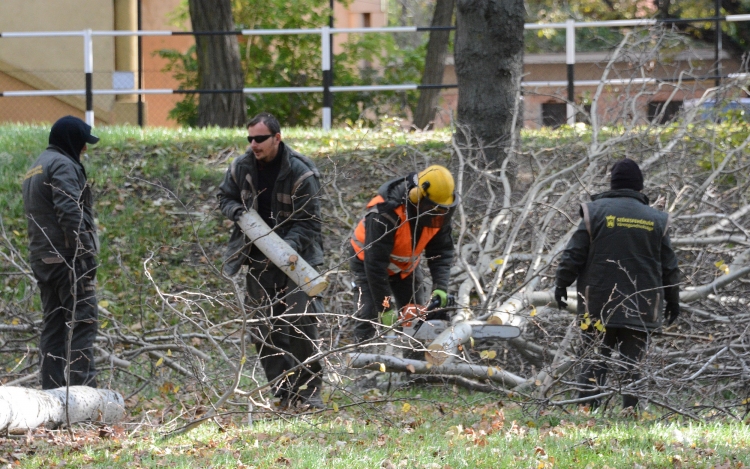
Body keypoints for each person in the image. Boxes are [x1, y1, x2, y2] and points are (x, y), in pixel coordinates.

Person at [555, 158, 681, 410]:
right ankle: (630, 414)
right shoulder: (656, 219)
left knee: (593, 362)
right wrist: (673, 299)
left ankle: (586, 413)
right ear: (640, 187)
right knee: (632, 366)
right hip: (642, 305)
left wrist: (561, 284)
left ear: (613, 183)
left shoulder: (596, 212)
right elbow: (669, 266)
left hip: (598, 303)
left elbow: (574, 254)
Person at [217, 112, 324, 409]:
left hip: (297, 260)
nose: (254, 144)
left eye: (260, 138)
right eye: (250, 138)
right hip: (257, 260)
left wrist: (285, 249)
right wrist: (237, 213)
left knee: (299, 320)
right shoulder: (240, 167)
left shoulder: (302, 173)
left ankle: (310, 390)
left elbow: (310, 222)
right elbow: (224, 197)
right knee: (263, 328)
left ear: (277, 138)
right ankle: (283, 390)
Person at [22, 115, 101, 389]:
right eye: (82, 143)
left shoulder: (37, 165)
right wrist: (85, 252)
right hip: (68, 259)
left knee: (54, 325)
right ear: (71, 140)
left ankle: (53, 394)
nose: (85, 150)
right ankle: (84, 396)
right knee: (84, 321)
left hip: (43, 259)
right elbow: (69, 210)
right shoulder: (63, 165)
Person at [349, 165, 457, 343]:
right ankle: (359, 358)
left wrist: (440, 287)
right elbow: (375, 264)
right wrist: (385, 307)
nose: (438, 214)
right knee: (368, 312)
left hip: (406, 268)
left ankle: (413, 365)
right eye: (434, 208)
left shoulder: (439, 214)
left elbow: (441, 252)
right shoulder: (386, 213)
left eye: (442, 209)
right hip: (367, 263)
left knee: (416, 316)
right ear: (418, 197)